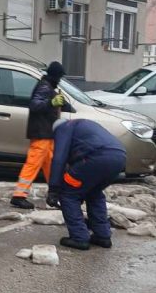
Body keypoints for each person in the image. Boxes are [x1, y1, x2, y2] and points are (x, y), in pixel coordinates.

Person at [46, 117, 126, 250]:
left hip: (96, 158)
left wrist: (53, 189)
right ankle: (103, 235)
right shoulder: (83, 125)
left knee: (68, 194)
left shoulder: (63, 128)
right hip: (119, 157)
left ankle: (79, 237)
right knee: (94, 193)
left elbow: (59, 158)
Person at [10, 61, 71, 210]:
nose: (60, 80)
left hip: (47, 134)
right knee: (33, 164)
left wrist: (62, 103)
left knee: (52, 165)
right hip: (41, 133)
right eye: (59, 77)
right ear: (55, 76)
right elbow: (34, 105)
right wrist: (51, 103)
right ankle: (19, 196)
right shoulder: (44, 87)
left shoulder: (48, 87)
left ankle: (56, 194)